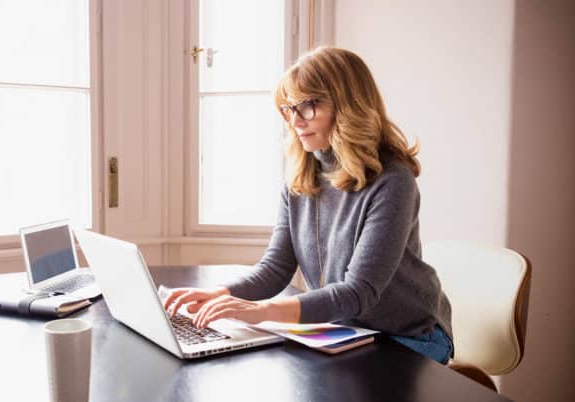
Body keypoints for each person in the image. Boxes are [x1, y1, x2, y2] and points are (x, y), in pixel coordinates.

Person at [164, 46, 453, 364]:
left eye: (310, 105)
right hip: (344, 330)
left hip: (408, 338)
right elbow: (275, 269)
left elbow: (359, 291)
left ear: (347, 105)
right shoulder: (302, 175)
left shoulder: (393, 180)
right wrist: (223, 294)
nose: (295, 120)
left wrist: (260, 312)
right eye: (289, 108)